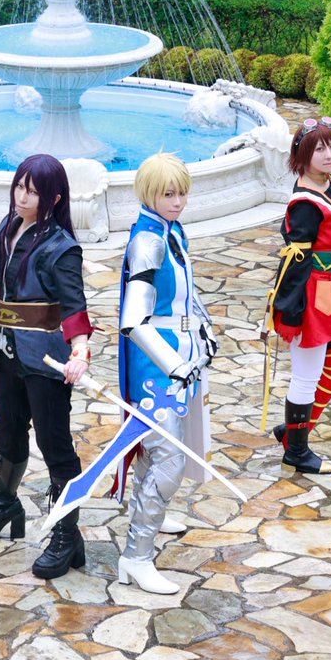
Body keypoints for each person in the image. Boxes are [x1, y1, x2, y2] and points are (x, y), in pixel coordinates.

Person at [0, 154, 93, 580]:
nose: (22, 197)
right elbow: (4, 291)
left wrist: (80, 352)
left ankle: (66, 534)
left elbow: (74, 306)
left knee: (55, 446)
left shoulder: (62, 247)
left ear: (53, 198)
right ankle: (5, 504)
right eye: (19, 186)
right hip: (7, 349)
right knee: (9, 433)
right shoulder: (8, 227)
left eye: (33, 192)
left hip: (46, 358)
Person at [117, 152, 218, 595]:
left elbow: (186, 296)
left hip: (179, 356)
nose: (178, 202)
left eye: (182, 193)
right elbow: (133, 319)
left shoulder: (170, 232)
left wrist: (205, 333)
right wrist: (173, 365)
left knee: (157, 451)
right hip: (157, 368)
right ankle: (136, 556)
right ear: (150, 194)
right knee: (169, 457)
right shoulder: (149, 241)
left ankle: (148, 515)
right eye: (169, 194)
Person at [268, 116, 331, 475]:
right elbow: (294, 262)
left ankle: (291, 432)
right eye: (319, 149)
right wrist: (288, 312)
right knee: (306, 375)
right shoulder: (305, 201)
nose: (329, 154)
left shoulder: (326, 183)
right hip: (311, 299)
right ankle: (296, 451)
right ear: (302, 155)